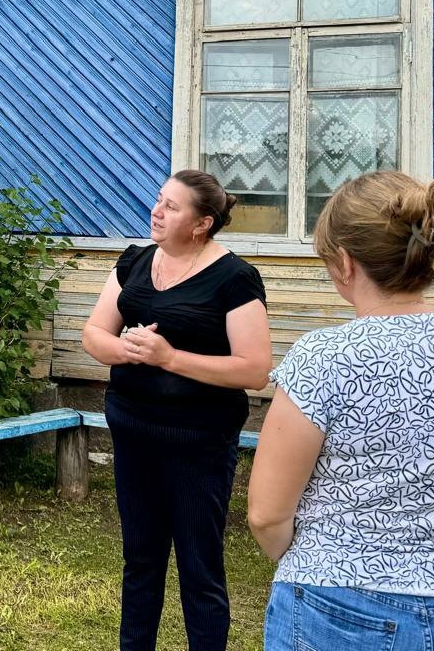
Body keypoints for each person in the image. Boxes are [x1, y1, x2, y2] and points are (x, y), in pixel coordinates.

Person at [248, 171, 434, 651]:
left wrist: (315, 562)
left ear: (345, 263)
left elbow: (267, 516)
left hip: (334, 606)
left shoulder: (321, 359)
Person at [81, 168, 272, 651]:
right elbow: (94, 334)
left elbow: (254, 369)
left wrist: (169, 358)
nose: (157, 210)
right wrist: (128, 351)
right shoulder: (136, 262)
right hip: (132, 431)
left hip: (198, 442)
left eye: (171, 206)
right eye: (158, 200)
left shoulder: (234, 278)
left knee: (198, 566)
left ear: (202, 224)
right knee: (140, 559)